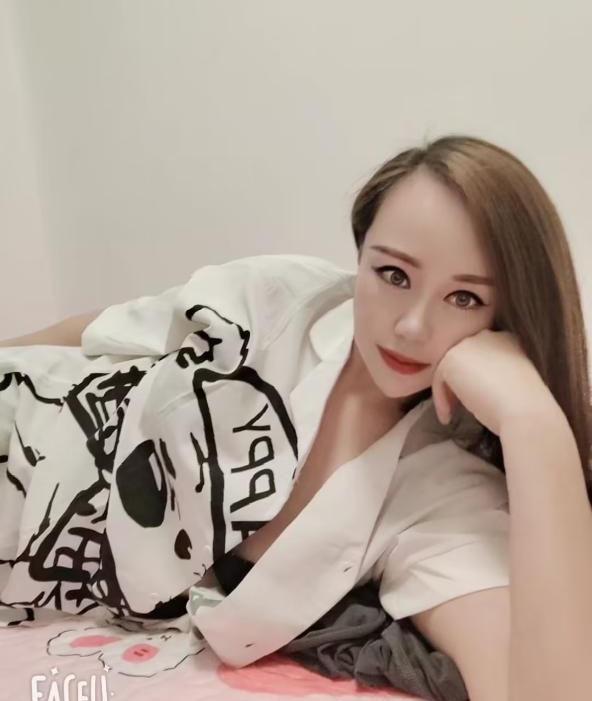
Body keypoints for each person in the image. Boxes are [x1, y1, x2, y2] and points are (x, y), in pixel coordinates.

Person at [1, 134, 591, 701]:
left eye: (465, 298)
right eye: (393, 274)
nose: (412, 325)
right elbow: (98, 333)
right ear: (361, 255)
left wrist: (533, 421)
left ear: (504, 316)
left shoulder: (441, 491)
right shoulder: (280, 298)